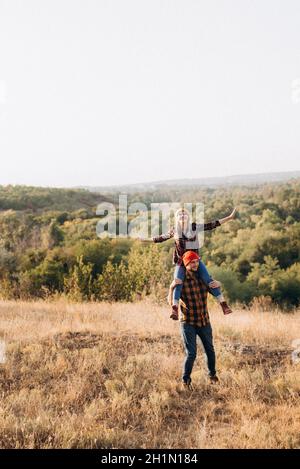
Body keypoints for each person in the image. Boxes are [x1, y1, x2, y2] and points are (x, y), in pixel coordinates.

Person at [141, 207, 236, 319]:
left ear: (188, 217)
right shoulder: (174, 230)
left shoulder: (194, 227)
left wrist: (229, 218)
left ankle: (223, 304)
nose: (182, 215)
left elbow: (211, 225)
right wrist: (145, 240)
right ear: (176, 218)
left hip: (195, 259)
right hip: (181, 262)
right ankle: (175, 308)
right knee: (177, 282)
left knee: (209, 280)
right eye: (179, 214)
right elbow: (161, 238)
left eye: (184, 214)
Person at [178, 250, 221, 388]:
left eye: (197, 261)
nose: (195, 264)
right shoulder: (181, 279)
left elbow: (214, 290)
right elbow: (170, 300)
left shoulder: (204, 277)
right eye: (192, 262)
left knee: (210, 350)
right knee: (191, 354)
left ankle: (212, 376)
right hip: (188, 322)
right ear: (186, 264)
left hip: (204, 320)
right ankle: (185, 381)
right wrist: (172, 287)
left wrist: (218, 284)